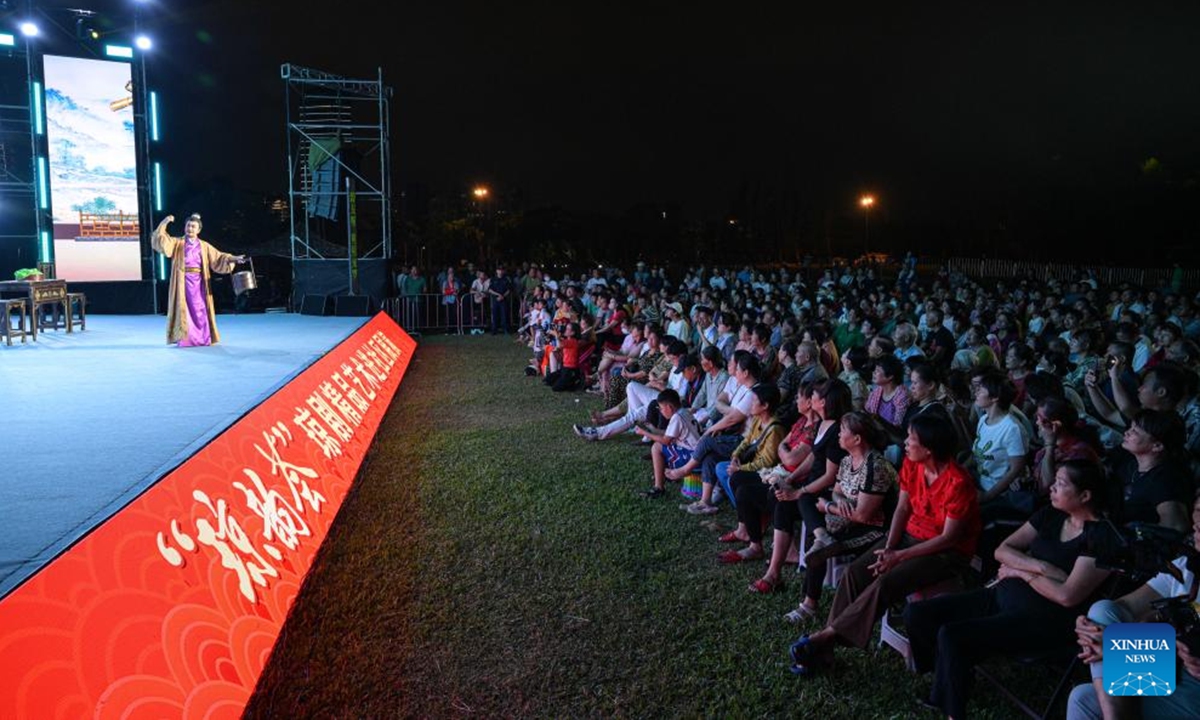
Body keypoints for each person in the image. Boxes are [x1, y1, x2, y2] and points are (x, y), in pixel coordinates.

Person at [905, 459, 1116, 719]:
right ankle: (946, 678)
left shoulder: (1102, 538)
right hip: (1000, 596)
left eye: (1060, 484)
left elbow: (1067, 595)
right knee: (918, 614)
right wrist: (1042, 568)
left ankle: (953, 710)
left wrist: (1020, 572)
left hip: (1043, 620)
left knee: (952, 635)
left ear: (1085, 495)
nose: (1051, 487)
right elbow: (1002, 550)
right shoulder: (1051, 515)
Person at [786, 412, 980, 676]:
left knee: (885, 583)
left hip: (945, 551)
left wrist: (899, 557)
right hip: (907, 537)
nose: (905, 443)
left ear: (929, 448)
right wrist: (889, 547)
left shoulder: (958, 483)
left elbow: (948, 538)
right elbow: (901, 509)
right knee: (856, 572)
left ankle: (824, 638)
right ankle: (827, 646)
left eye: (912, 439)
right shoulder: (913, 465)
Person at [1066, 493, 1200, 720]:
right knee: (1101, 612)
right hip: (1170, 667)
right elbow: (1123, 609)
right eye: (1197, 518)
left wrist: (1114, 649)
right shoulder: (1187, 568)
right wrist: (1092, 629)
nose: (1196, 528)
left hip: (1192, 689)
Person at [151, 213, 245, 347]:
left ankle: (202, 338)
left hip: (199, 282)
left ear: (198, 230)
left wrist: (233, 258)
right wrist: (165, 222)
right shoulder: (177, 243)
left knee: (200, 309)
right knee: (184, 310)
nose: (190, 229)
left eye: (193, 226)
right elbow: (160, 239)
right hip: (182, 282)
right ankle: (185, 339)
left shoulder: (204, 245)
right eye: (188, 226)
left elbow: (219, 257)